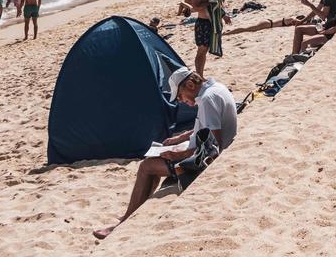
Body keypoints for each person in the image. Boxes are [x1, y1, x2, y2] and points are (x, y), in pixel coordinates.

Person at [93, 68, 237, 240]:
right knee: (156, 159)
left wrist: (180, 155)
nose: (182, 101)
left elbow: (213, 143)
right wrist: (182, 138)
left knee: (146, 166)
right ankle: (135, 211)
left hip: (204, 162)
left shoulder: (207, 100)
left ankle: (123, 221)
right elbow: (209, 127)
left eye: (180, 96)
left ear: (190, 85)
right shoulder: (216, 88)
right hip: (211, 150)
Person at [187, 0, 230, 75]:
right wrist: (209, 2)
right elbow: (195, 7)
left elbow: (216, 5)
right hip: (203, 24)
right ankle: (199, 76)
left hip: (212, 23)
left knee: (205, 50)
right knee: (201, 51)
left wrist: (223, 15)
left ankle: (200, 75)